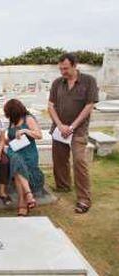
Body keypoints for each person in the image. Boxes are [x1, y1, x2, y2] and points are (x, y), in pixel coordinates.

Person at [48, 53, 99, 214]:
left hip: (78, 129)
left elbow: (89, 105)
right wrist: (60, 125)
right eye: (60, 68)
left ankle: (84, 199)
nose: (63, 71)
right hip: (59, 128)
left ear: (75, 65)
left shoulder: (88, 81)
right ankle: (63, 186)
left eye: (66, 68)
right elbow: (50, 105)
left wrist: (72, 126)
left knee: (79, 161)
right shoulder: (57, 83)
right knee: (59, 159)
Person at [4, 99, 44, 217]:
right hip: (14, 150)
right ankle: (28, 196)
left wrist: (25, 130)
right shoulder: (12, 121)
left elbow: (39, 135)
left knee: (18, 168)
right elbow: (11, 139)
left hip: (28, 152)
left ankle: (23, 202)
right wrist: (2, 140)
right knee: (16, 159)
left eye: (9, 112)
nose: (8, 116)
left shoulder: (28, 119)